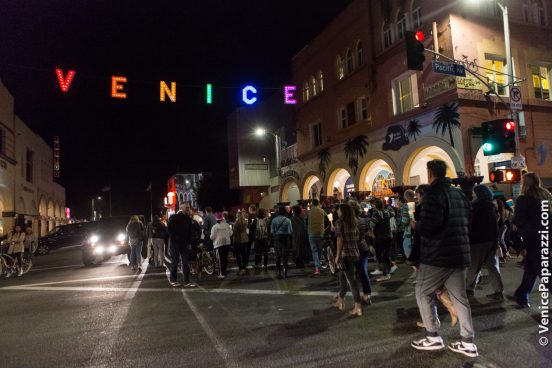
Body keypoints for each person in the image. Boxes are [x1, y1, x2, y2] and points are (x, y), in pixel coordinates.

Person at [411, 159, 477, 358]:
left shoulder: (433, 194)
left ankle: (432, 336)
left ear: (430, 173)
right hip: (459, 252)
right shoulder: (458, 193)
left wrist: (416, 225)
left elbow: (430, 226)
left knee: (422, 292)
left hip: (438, 254)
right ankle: (468, 341)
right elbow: (468, 220)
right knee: (460, 298)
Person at [512, 172, 552, 308]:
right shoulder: (546, 195)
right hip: (547, 236)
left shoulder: (524, 199)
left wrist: (519, 234)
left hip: (533, 238)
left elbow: (519, 221)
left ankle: (522, 294)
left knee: (543, 269)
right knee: (532, 266)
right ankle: (522, 294)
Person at [466, 185, 503, 300]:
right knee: (493, 267)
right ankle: (498, 292)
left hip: (477, 241)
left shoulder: (475, 207)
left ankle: (468, 289)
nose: (472, 195)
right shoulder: (492, 206)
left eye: (474, 193)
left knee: (473, 267)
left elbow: (471, 225)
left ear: (478, 194)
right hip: (491, 240)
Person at [333, 203, 362, 317]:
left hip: (345, 255)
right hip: (355, 253)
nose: (337, 212)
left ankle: (358, 306)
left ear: (342, 212)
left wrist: (337, 255)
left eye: (339, 210)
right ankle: (341, 300)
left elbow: (340, 240)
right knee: (342, 278)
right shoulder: (354, 222)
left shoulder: (339, 223)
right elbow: (358, 237)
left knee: (352, 282)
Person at [167, 204, 196, 288]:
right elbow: (169, 230)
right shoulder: (174, 217)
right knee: (175, 262)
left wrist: (189, 243)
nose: (188, 209)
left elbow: (191, 232)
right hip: (176, 243)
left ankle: (186, 281)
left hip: (184, 244)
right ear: (181, 208)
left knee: (185, 263)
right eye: (186, 208)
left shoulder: (188, 219)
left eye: (188, 208)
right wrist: (174, 239)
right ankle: (174, 280)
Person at [350, 200, 372, 305]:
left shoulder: (349, 222)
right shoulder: (363, 220)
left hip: (353, 249)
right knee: (363, 272)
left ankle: (355, 297)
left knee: (350, 275)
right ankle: (367, 295)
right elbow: (367, 232)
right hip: (363, 248)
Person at [369, 198, 393, 282]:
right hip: (388, 237)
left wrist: (372, 234)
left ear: (375, 206)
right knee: (386, 255)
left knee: (379, 256)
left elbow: (370, 225)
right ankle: (388, 271)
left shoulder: (375, 215)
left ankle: (385, 274)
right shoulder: (386, 213)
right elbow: (393, 213)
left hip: (379, 238)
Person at [271, 206, 293, 279]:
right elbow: (290, 232)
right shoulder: (288, 220)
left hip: (277, 239)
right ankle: (285, 272)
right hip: (285, 239)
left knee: (277, 256)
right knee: (285, 256)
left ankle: (278, 272)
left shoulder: (274, 220)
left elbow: (272, 231)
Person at [307, 198, 326, 276]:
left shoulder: (309, 212)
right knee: (319, 250)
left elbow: (306, 221)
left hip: (311, 232)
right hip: (320, 232)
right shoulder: (322, 211)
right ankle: (318, 265)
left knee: (314, 250)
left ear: (312, 203)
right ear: (318, 203)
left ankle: (317, 267)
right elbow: (327, 219)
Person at [211, 212, 233, 278]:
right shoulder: (226, 225)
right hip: (227, 243)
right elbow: (231, 233)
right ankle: (224, 271)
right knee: (225, 259)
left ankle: (221, 273)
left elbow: (212, 237)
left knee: (220, 259)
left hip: (219, 244)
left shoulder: (215, 227)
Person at [233, 211, 249, 276]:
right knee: (244, 254)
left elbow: (234, 233)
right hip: (245, 239)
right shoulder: (245, 222)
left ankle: (240, 268)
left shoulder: (236, 223)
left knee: (238, 255)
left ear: (237, 216)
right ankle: (244, 267)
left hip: (238, 240)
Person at [401, 190, 416, 259]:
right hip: (420, 231)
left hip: (409, 233)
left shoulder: (406, 206)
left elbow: (405, 221)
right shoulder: (418, 204)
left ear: (405, 197)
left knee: (410, 256)